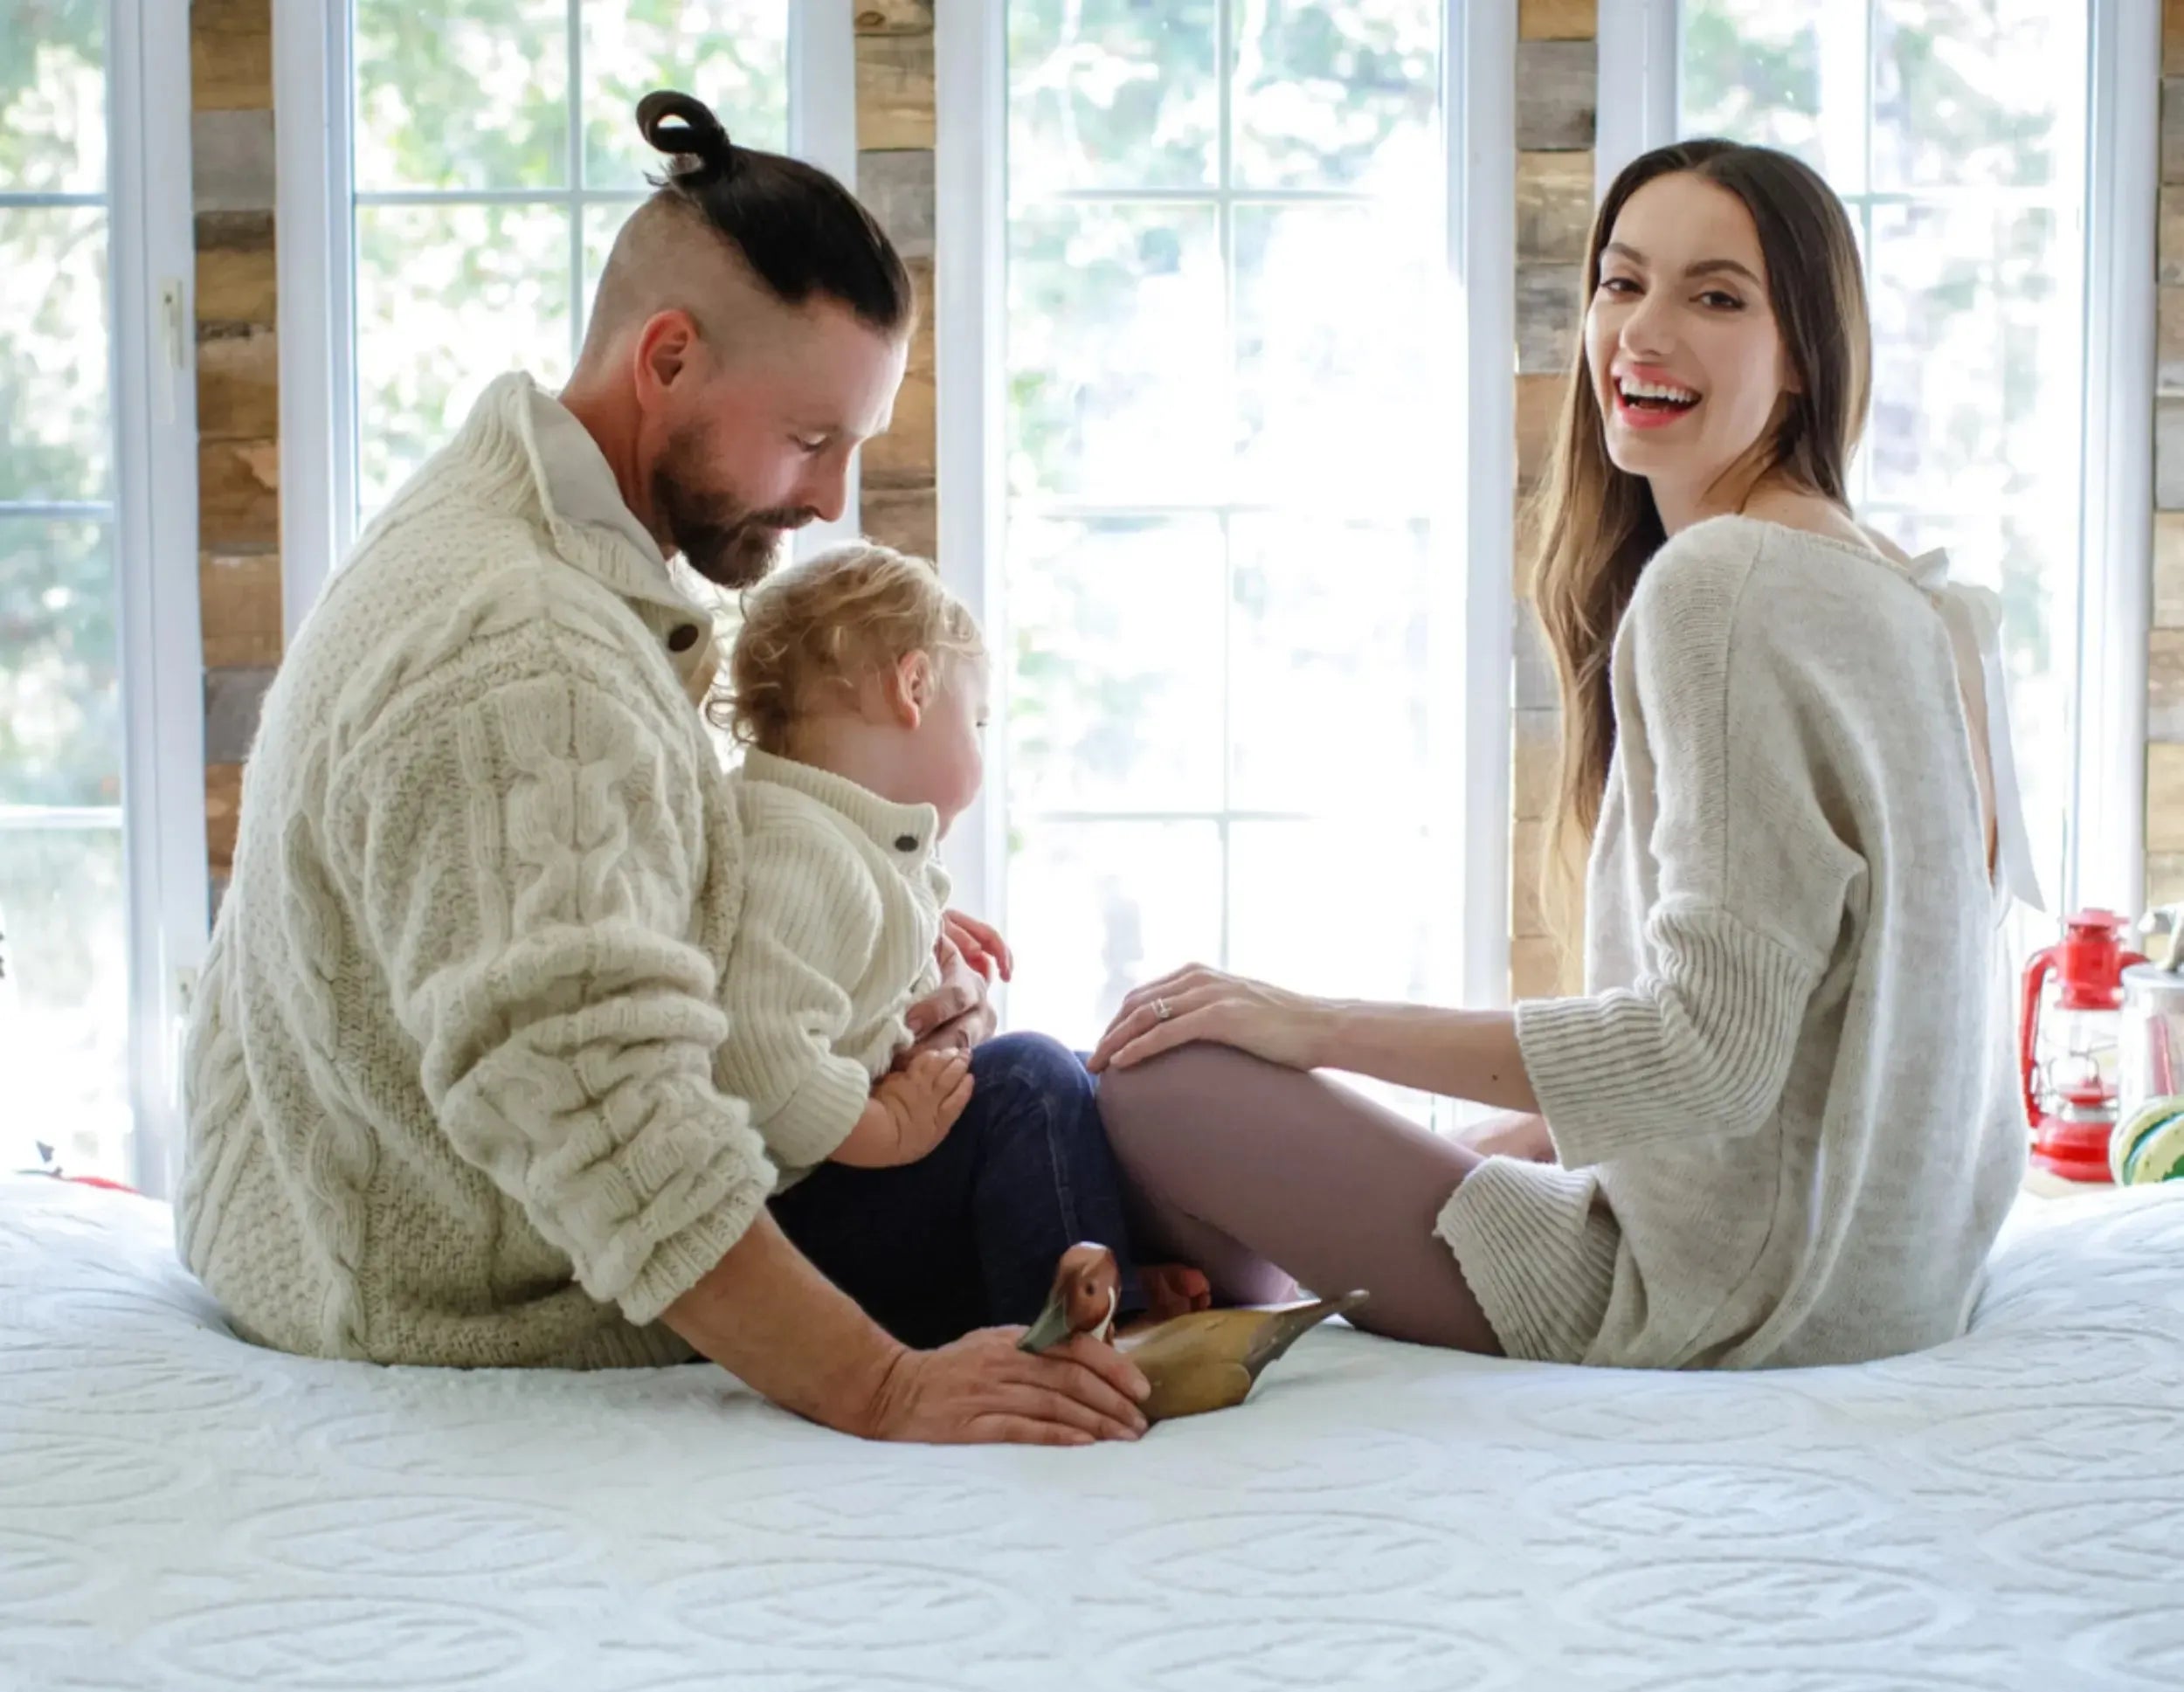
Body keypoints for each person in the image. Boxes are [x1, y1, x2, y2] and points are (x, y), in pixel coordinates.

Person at [176, 90, 1150, 1447]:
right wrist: (889, 1387)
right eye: (812, 441)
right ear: (669, 359)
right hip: (468, 1283)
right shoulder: (532, 656)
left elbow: (614, 898)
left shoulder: (511, 521)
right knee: (1048, 1099)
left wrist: (869, 970)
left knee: (1054, 1098)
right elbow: (602, 1114)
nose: (827, 500)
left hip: (336, 1208)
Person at [1089, 139, 2030, 1371]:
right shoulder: (1920, 599)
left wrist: (1308, 1022)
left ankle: (1140, 1301)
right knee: (1487, 1137)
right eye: (1621, 283)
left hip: (1734, 1302)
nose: (1642, 332)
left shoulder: (1723, 583)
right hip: (1885, 1278)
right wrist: (1534, 1131)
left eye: (1715, 297)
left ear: (1804, 354)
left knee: (1166, 1082)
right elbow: (1828, 1028)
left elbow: (1708, 1059)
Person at [702, 542, 1208, 1344]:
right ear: (914, 687)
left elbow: (837, 982)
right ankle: (1069, 1338)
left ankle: (1105, 1277)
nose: (979, 739)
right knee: (1033, 1082)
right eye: (974, 718)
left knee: (1070, 1077)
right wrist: (888, 1131)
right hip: (802, 1220)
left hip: (843, 1205)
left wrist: (914, 938)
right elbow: (762, 1060)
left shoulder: (835, 838)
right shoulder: (798, 848)